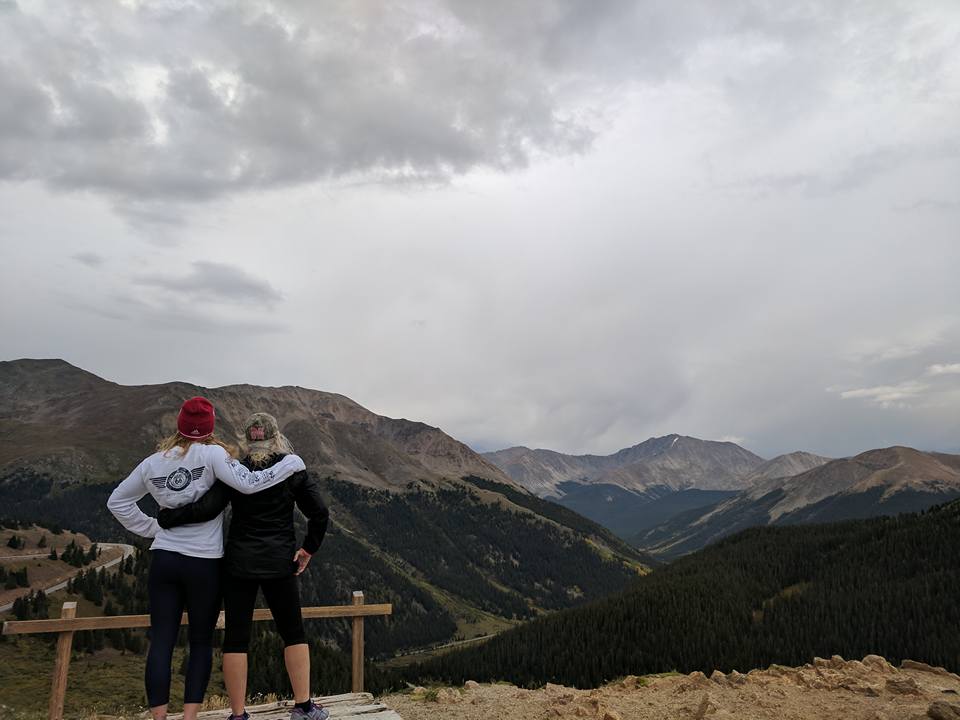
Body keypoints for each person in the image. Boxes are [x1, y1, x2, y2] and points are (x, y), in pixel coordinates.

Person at [107, 397, 307, 720]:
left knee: (161, 642)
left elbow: (117, 502)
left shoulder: (153, 463)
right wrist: (289, 463)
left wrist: (154, 528)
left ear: (180, 425)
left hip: (164, 560)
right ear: (211, 425)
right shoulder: (214, 454)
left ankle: (159, 718)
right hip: (204, 562)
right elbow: (250, 484)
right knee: (200, 642)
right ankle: (189, 718)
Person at [157, 412, 330, 720]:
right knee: (293, 633)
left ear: (247, 440)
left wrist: (169, 518)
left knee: (237, 638)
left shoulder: (234, 471)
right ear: (276, 438)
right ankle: (303, 707)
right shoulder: (291, 470)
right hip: (280, 562)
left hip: (238, 563)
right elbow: (319, 512)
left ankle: (238, 715)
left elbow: (207, 508)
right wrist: (308, 549)